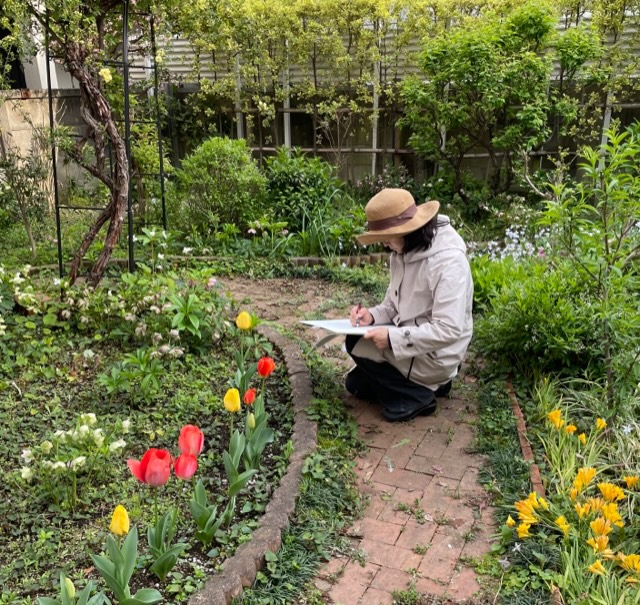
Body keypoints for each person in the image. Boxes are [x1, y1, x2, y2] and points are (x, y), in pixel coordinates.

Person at [346, 188, 473, 422]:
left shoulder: (448, 262)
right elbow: (392, 305)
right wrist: (370, 316)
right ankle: (429, 387)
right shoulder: (402, 252)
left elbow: (448, 330)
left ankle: (420, 396)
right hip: (412, 342)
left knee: (355, 344)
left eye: (388, 236)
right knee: (355, 383)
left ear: (409, 230)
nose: (385, 244)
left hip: (436, 355)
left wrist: (393, 339)